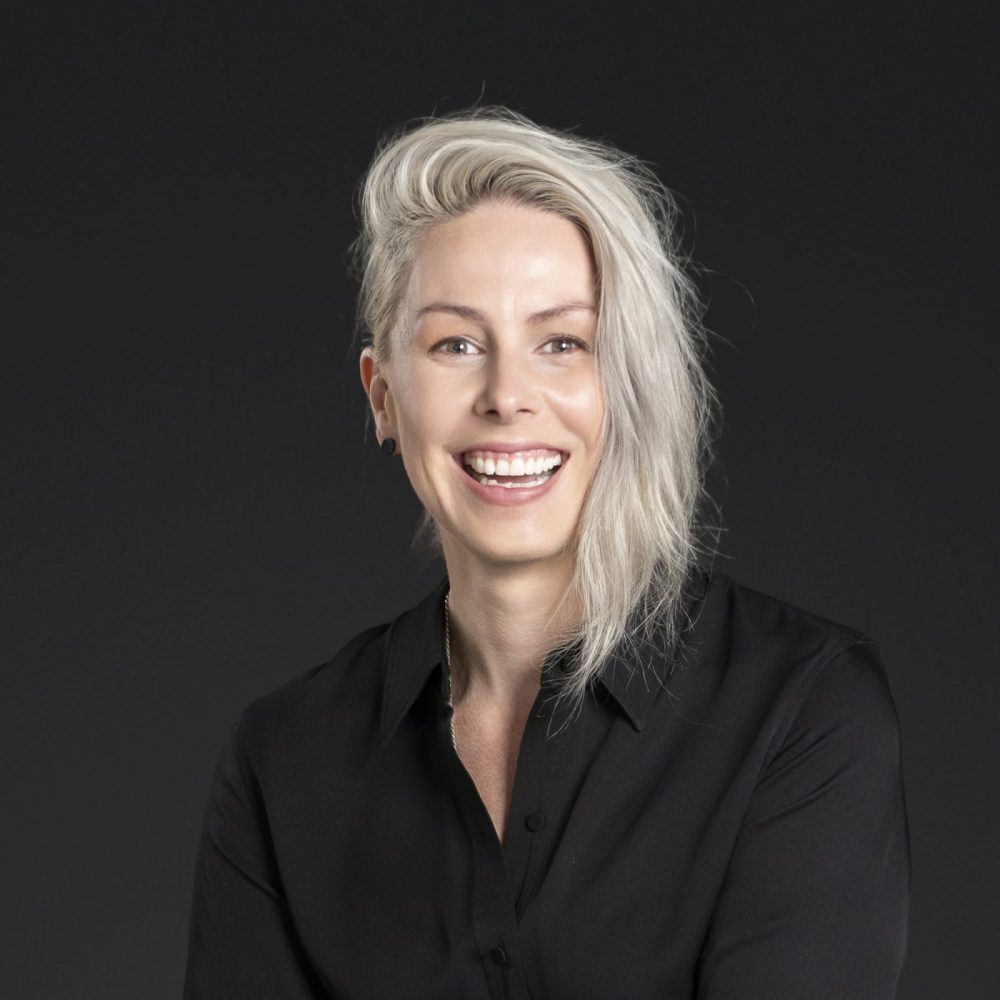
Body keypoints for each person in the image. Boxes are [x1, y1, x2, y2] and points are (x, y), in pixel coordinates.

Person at [183, 106, 910, 999]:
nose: (507, 396)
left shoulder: (801, 710)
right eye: (455, 344)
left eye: (562, 343)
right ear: (382, 396)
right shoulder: (284, 758)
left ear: (628, 382)